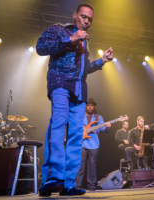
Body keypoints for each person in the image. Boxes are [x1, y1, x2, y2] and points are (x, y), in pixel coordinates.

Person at [36, 3, 113, 196]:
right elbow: (40, 47)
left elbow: (83, 70)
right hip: (60, 84)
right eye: (84, 17)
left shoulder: (86, 42)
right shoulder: (59, 29)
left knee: (76, 137)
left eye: (90, 19)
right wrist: (70, 38)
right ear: (74, 15)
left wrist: (102, 61)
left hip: (79, 92)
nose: (87, 21)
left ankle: (68, 183)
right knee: (58, 125)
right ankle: (53, 178)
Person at [76, 98, 111, 192]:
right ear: (85, 106)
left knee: (92, 165)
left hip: (94, 144)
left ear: (94, 106)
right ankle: (78, 185)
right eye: (88, 105)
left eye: (91, 105)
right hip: (82, 143)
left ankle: (91, 186)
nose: (90, 107)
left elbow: (103, 129)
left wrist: (107, 128)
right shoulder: (80, 116)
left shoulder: (98, 117)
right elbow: (75, 126)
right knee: (80, 165)